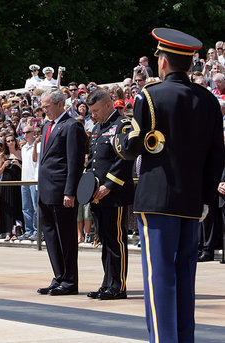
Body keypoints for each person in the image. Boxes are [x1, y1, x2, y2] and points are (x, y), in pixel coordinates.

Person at [113, 28, 224, 343]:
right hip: (192, 203)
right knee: (185, 278)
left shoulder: (149, 96)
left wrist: (121, 134)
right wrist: (205, 199)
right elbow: (217, 155)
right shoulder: (208, 101)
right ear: (189, 64)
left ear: (162, 62)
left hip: (158, 200)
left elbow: (132, 146)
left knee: (159, 278)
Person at [84, 90, 135, 300]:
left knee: (116, 241)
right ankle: (107, 283)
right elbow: (92, 161)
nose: (92, 115)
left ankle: (118, 286)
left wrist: (108, 186)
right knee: (105, 241)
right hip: (97, 195)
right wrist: (87, 186)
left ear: (107, 105)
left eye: (95, 111)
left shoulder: (123, 125)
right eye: (91, 111)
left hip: (115, 194)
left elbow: (124, 159)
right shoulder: (97, 128)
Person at [36, 89, 86, 296]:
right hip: (46, 190)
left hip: (61, 191)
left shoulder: (72, 126)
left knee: (65, 236)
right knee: (51, 236)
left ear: (59, 104)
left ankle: (70, 280)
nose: (44, 110)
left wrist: (70, 191)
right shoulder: (47, 125)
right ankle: (59, 276)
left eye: (47, 106)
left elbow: (74, 162)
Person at [0, 133, 23, 241]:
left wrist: (18, 164)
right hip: (6, 183)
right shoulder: (3, 155)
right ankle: (8, 231)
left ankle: (17, 231)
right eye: (8, 141)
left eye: (12, 140)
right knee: (7, 207)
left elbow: (25, 169)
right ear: (5, 143)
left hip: (17, 182)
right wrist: (4, 165)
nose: (11, 142)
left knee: (17, 205)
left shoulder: (20, 153)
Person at [18, 125, 39, 241]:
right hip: (24, 179)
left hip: (34, 179)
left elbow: (36, 161)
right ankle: (28, 230)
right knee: (26, 207)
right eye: (23, 132)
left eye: (28, 132)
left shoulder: (38, 145)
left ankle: (36, 231)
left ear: (33, 133)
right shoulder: (23, 148)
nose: (25, 135)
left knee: (36, 207)